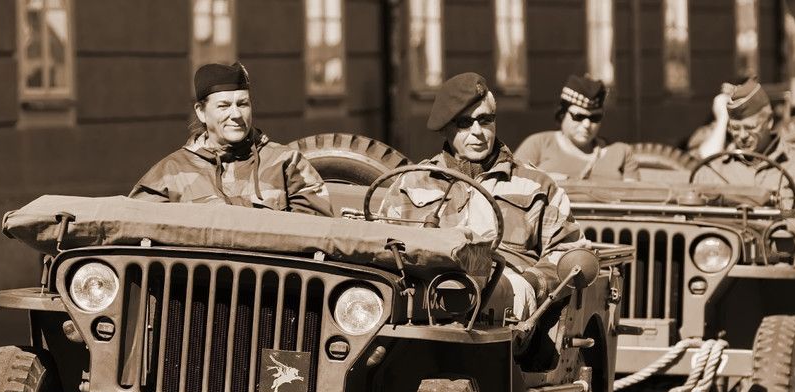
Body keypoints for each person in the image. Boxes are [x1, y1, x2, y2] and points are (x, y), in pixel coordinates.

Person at [379, 72, 585, 319]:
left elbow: (570, 251)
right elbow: (383, 246)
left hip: (509, 317)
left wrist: (532, 284)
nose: (477, 131)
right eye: (465, 123)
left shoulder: (535, 185)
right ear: (445, 128)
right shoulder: (411, 183)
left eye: (485, 120)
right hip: (425, 311)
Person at [129, 62, 333, 217]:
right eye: (224, 106)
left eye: (242, 104)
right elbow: (134, 234)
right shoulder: (170, 173)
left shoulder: (287, 164)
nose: (236, 114)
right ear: (201, 112)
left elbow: (317, 237)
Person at [689, 78, 795, 252]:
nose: (742, 135)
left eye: (750, 127)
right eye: (735, 128)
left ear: (769, 121)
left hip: (793, 264)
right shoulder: (712, 172)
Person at [514, 74, 639, 181]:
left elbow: (634, 198)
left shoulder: (621, 153)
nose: (587, 125)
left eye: (595, 118)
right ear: (562, 114)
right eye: (579, 116)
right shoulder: (538, 144)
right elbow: (513, 187)